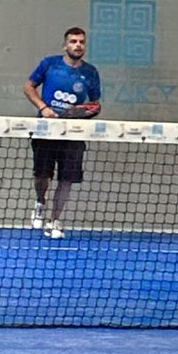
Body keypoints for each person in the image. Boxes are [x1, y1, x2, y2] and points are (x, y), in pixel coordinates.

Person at [24, 25, 102, 239]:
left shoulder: (90, 72)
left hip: (73, 133)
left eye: (81, 42)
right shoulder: (50, 64)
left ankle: (54, 220)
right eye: (73, 42)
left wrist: (81, 113)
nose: (78, 45)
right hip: (47, 130)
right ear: (65, 45)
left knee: (66, 179)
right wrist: (43, 108)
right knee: (42, 175)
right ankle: (40, 203)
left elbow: (95, 104)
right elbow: (28, 87)